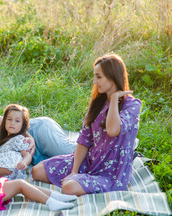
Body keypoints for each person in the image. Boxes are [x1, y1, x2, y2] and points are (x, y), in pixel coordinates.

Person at [31, 53, 142, 196]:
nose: (95, 81)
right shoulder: (97, 104)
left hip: (110, 173)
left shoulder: (132, 105)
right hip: (89, 162)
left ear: (113, 76)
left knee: (68, 187)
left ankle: (81, 181)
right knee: (36, 171)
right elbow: (84, 139)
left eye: (99, 76)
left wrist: (114, 99)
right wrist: (74, 171)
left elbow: (113, 130)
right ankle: (79, 178)